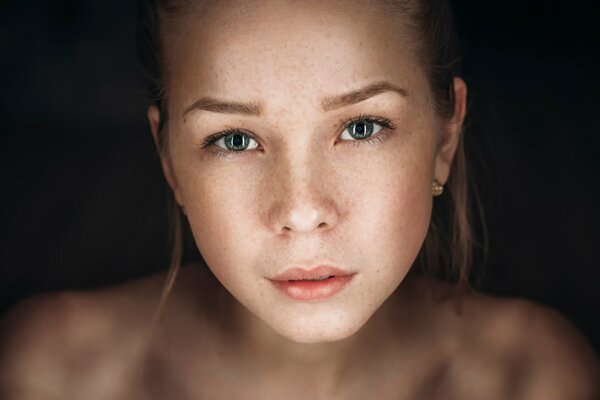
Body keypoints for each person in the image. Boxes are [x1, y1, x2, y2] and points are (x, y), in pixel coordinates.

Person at [1, 0, 599, 398]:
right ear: (169, 160)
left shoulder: (534, 380)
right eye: (234, 139)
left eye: (362, 128)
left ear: (445, 137)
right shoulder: (52, 375)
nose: (302, 209)